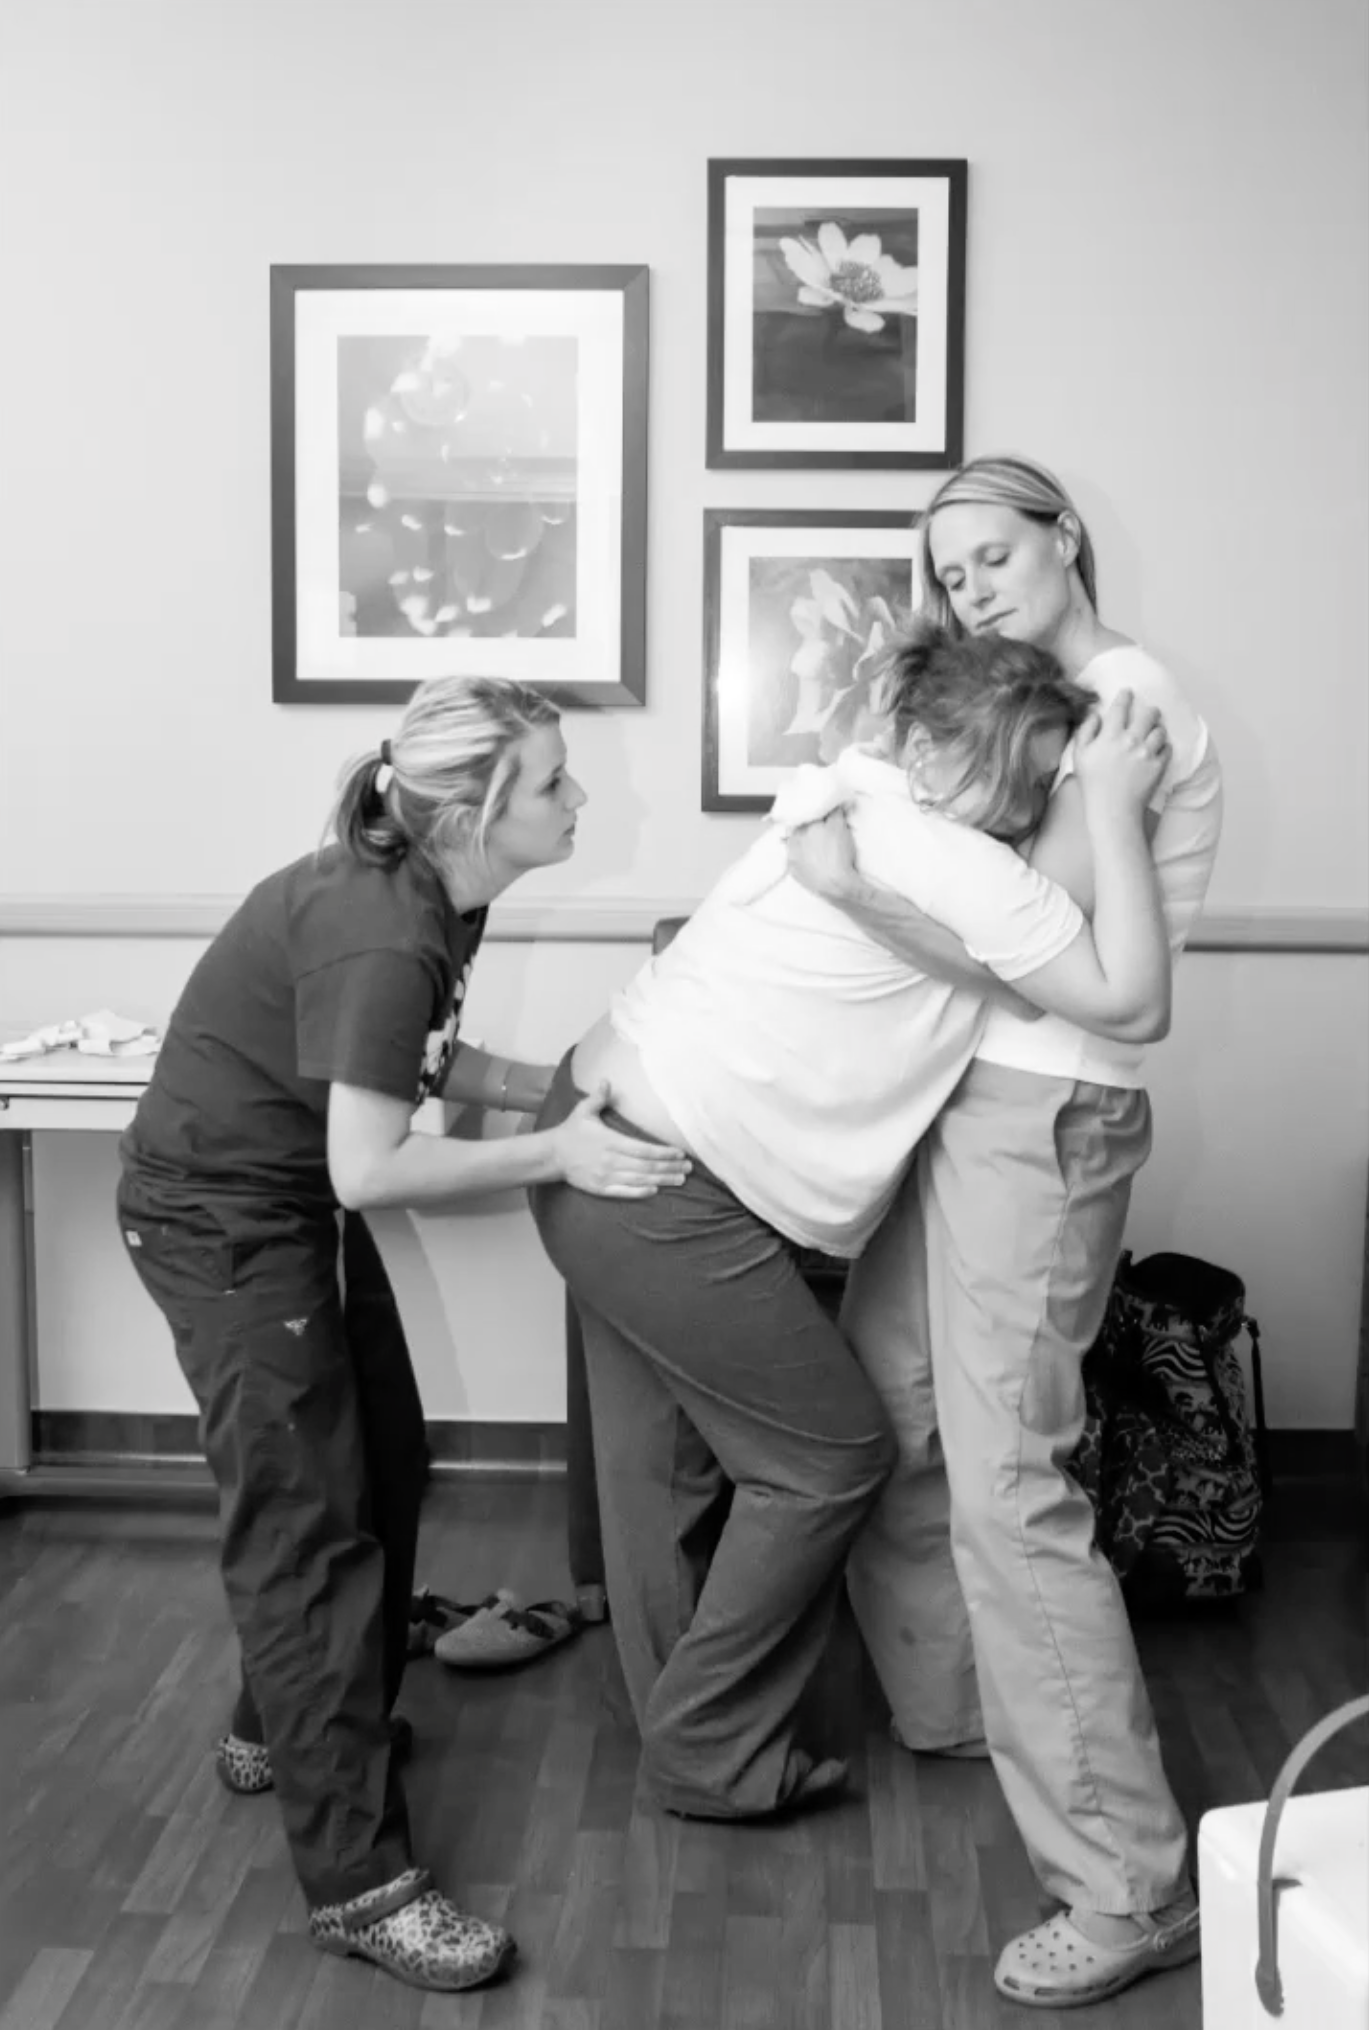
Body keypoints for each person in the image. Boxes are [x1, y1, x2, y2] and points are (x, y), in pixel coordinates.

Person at [530, 620, 1175, 1825]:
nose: (1030, 798)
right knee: (829, 1458)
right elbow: (1129, 998)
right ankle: (701, 1746)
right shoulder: (965, 864)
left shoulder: (838, 793)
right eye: (1014, 769)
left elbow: (930, 937)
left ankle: (683, 1734)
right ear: (927, 746)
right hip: (662, 1185)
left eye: (1050, 777)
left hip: (600, 1130)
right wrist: (1122, 812)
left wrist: (852, 889)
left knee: (659, 1470)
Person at [115, 674, 690, 1996]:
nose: (580, 795)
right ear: (473, 808)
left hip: (277, 1197)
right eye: (553, 779)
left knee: (387, 1459)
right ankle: (362, 1883)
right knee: (310, 1532)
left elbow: (412, 1058)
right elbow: (372, 1165)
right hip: (226, 1220)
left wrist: (539, 1084)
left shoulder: (441, 893)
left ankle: (290, 1719)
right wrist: (561, 1149)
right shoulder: (386, 924)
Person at [786, 455, 1223, 2010]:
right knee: (890, 1405)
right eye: (947, 569)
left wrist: (848, 890)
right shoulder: (1042, 691)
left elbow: (1043, 964)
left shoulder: (1120, 704)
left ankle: (1124, 1887)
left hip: (1041, 1121)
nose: (970, 585)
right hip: (976, 1111)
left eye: (991, 553)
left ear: (1066, 538)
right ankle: (968, 1706)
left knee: (1012, 1491)